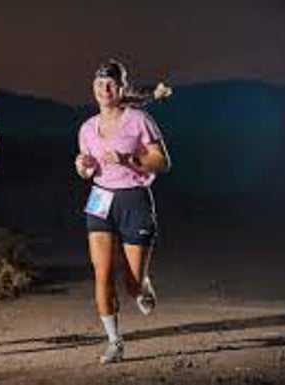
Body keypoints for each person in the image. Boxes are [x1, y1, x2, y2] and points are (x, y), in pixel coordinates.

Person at [74, 59, 171, 364]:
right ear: (94, 88)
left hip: (134, 199)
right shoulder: (87, 127)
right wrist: (82, 167)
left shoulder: (139, 119)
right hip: (100, 201)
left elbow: (163, 162)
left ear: (121, 88)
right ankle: (115, 342)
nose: (105, 89)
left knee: (131, 283)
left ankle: (142, 284)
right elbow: (86, 170)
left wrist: (129, 159)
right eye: (100, 84)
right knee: (102, 274)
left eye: (111, 84)